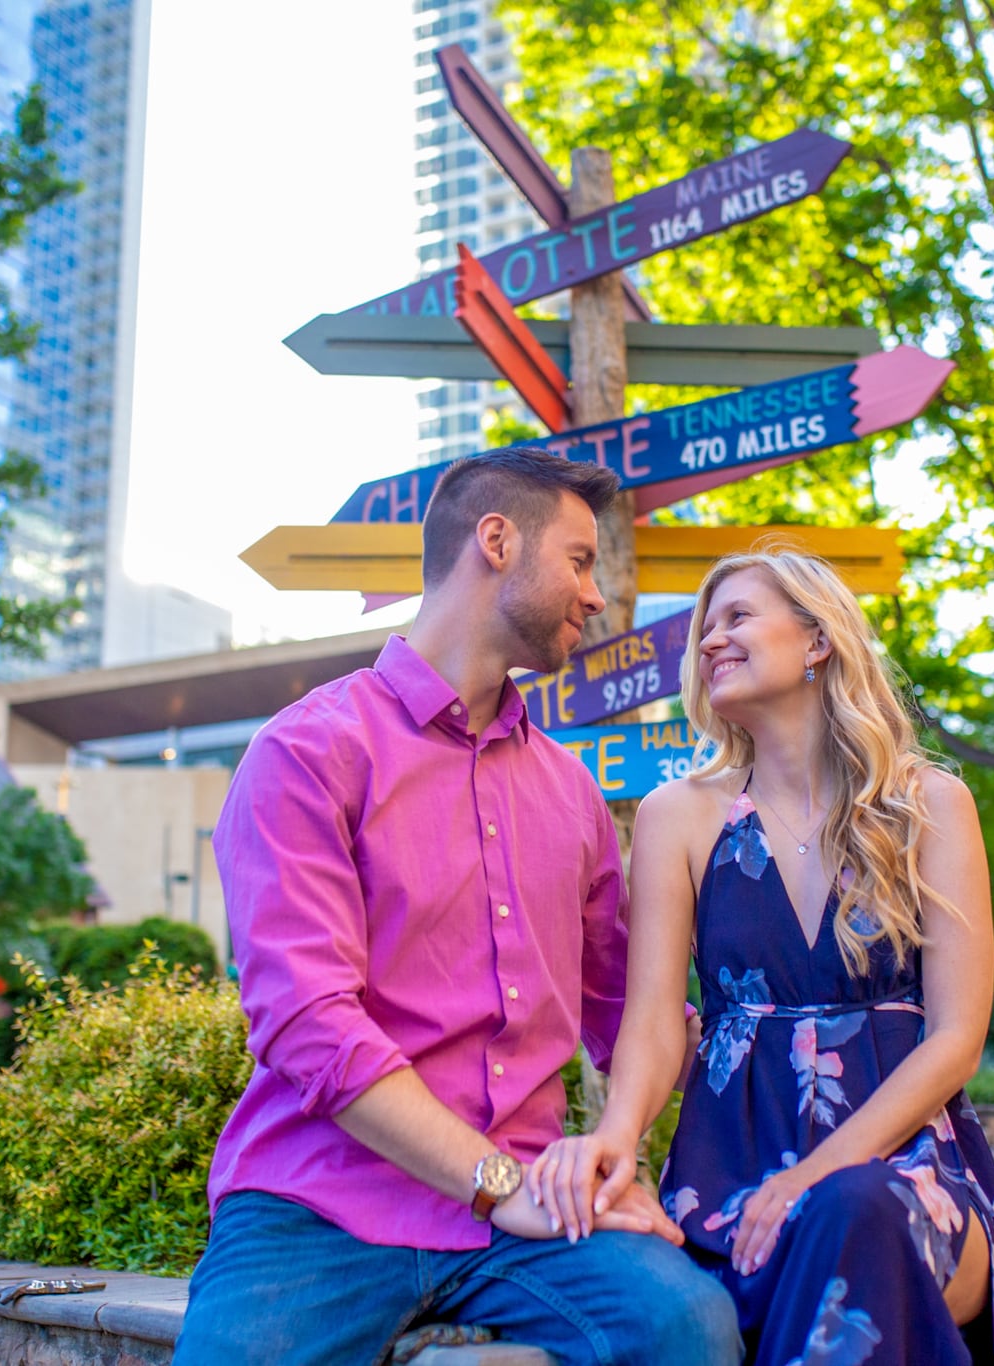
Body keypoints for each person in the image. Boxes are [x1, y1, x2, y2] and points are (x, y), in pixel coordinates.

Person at [173, 449, 741, 1366]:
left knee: (688, 1326)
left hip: (526, 1218)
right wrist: (494, 1181)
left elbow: (630, 1015)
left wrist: (628, 1146)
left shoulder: (574, 797)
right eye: (581, 560)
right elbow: (309, 1023)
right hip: (318, 1207)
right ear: (496, 540)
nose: (597, 597)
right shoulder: (308, 754)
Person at [526, 549, 994, 1366]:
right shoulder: (679, 815)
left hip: (905, 1172)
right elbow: (654, 1024)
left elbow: (957, 1037)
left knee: (855, 1212)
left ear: (818, 640)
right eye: (705, 629)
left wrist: (811, 1175)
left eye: (736, 617)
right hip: (730, 1176)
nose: (710, 641)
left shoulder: (930, 805)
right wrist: (618, 1139)